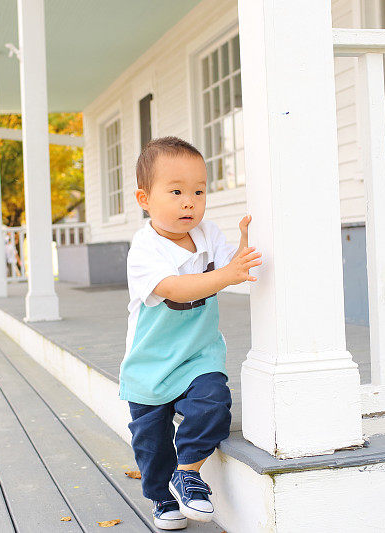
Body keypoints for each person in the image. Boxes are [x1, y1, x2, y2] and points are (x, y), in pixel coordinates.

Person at [121, 136, 261, 530]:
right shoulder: (145, 249)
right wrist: (226, 274)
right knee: (150, 441)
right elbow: (174, 288)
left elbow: (232, 269)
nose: (189, 201)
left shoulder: (208, 234)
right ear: (144, 199)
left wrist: (243, 256)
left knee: (213, 403)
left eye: (199, 191)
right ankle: (161, 497)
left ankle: (188, 471)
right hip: (150, 364)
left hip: (199, 355)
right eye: (177, 191)